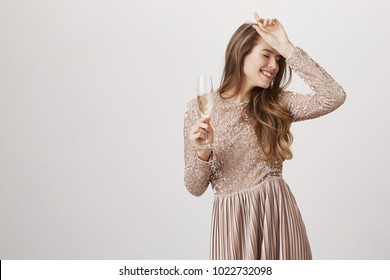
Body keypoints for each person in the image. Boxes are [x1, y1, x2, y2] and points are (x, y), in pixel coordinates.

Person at [183, 12, 346, 260]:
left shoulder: (277, 102)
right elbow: (195, 187)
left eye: (278, 59)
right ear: (241, 54)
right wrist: (204, 151)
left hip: (276, 213)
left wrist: (287, 47)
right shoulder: (198, 108)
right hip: (232, 222)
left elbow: (333, 96)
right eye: (266, 55)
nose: (274, 66)